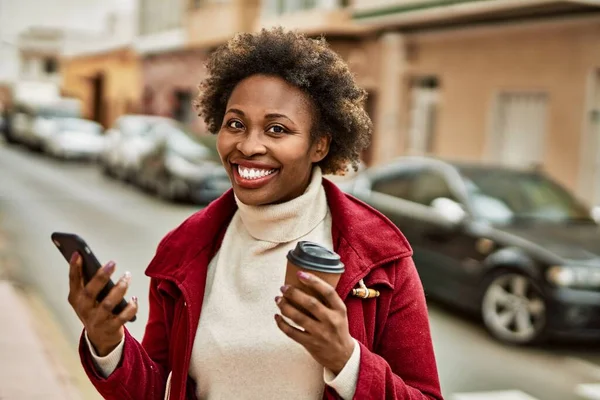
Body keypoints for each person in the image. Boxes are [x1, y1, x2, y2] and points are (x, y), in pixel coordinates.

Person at [67, 27, 443, 400]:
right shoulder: (185, 251)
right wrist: (107, 342)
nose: (248, 145)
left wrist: (347, 361)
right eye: (235, 124)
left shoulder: (380, 259)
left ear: (320, 145)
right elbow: (153, 388)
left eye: (277, 129)